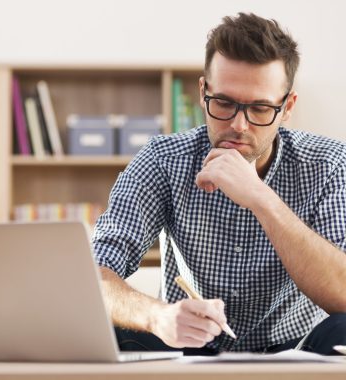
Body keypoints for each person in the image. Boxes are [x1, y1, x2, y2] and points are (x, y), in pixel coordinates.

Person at [93, 12, 346, 355]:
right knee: (104, 327)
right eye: (224, 103)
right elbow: (94, 273)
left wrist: (260, 198)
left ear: (287, 107)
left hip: (296, 350)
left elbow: (342, 293)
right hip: (188, 347)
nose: (239, 126)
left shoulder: (328, 164)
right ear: (203, 92)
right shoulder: (163, 160)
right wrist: (158, 317)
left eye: (259, 108)